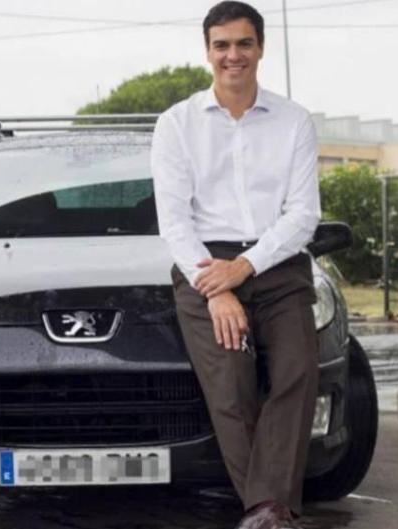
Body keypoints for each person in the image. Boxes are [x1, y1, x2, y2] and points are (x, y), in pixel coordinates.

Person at [150, 2, 322, 528]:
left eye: (243, 43)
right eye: (222, 45)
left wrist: (244, 268)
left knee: (297, 370)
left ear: (260, 48)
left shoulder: (294, 121)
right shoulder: (176, 124)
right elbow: (174, 221)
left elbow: (303, 215)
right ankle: (271, 511)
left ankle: (263, 512)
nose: (233, 55)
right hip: (204, 265)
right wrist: (216, 287)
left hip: (277, 264)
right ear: (207, 51)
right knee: (231, 383)